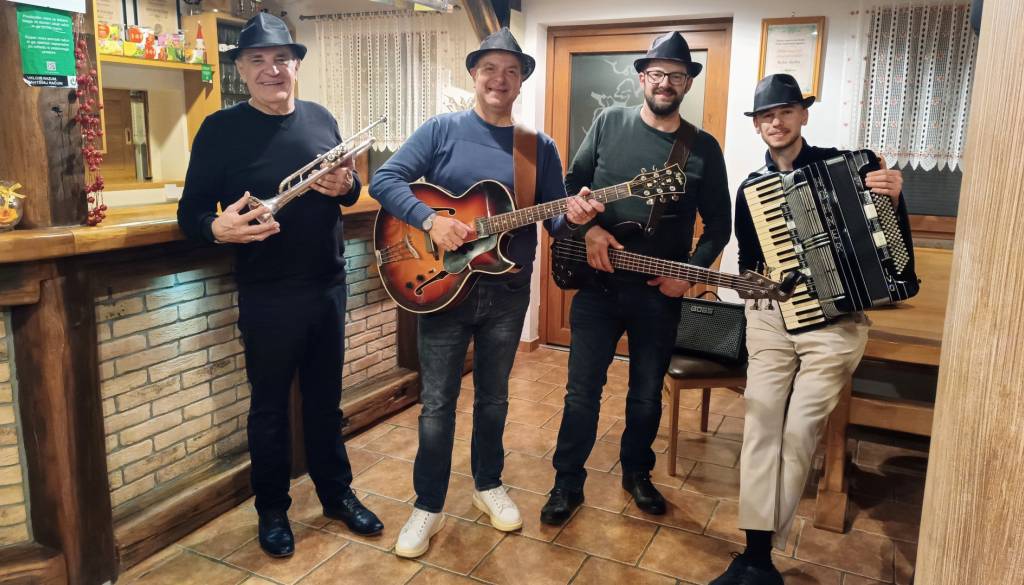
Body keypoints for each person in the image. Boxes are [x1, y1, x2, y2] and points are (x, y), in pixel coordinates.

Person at [370, 27, 601, 558]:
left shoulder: (537, 147)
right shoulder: (441, 130)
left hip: (507, 292)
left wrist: (577, 217)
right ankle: (427, 505)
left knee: (494, 398)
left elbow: (555, 222)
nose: (500, 79)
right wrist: (430, 220)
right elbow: (385, 180)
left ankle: (487, 484)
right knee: (437, 404)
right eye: (490, 69)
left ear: (521, 81)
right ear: (474, 75)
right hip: (442, 284)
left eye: (511, 71)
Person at [176, 13, 383, 558]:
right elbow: (191, 212)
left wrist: (347, 184)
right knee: (269, 408)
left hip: (327, 284)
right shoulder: (220, 129)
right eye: (258, 60)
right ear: (242, 70)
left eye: (282, 59)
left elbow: (349, 189)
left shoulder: (321, 117)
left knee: (325, 402)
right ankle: (271, 509)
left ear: (296, 65)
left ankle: (336, 495)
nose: (272, 70)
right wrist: (215, 228)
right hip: (267, 291)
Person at [710, 73, 909, 585]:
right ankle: (757, 555)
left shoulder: (849, 168)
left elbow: (888, 248)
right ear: (756, 126)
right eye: (765, 115)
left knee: (799, 431)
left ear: (802, 115)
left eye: (785, 111)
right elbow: (750, 259)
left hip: (835, 325)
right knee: (761, 421)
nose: (775, 122)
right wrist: (753, 282)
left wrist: (892, 198)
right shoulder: (750, 190)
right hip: (772, 319)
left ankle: (757, 556)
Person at [541, 31, 732, 525]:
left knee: (646, 394)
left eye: (676, 75)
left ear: (688, 83)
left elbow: (719, 227)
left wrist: (687, 275)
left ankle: (637, 474)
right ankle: (567, 482)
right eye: (657, 73)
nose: (665, 82)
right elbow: (571, 188)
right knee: (581, 392)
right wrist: (589, 231)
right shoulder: (608, 122)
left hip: (658, 294)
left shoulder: (703, 148)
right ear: (642, 78)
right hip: (597, 287)